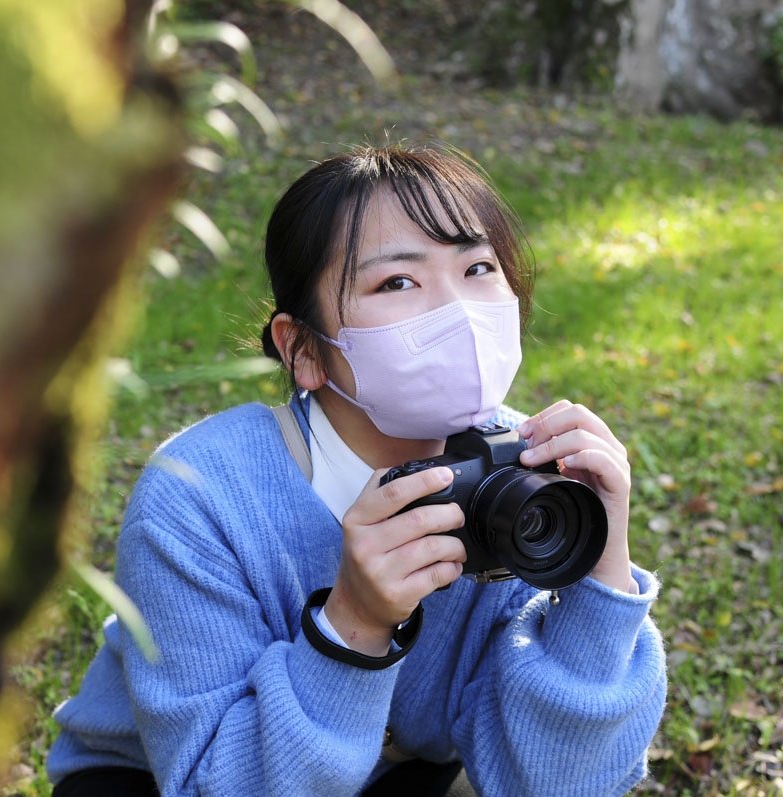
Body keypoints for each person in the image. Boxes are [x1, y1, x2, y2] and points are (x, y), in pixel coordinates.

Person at [45, 143, 667, 796]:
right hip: (155, 775)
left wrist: (600, 573)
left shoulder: (528, 474)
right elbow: (212, 783)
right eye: (397, 281)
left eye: (478, 267)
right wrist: (354, 624)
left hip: (397, 772)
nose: (455, 310)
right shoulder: (199, 496)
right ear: (305, 350)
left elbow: (556, 781)